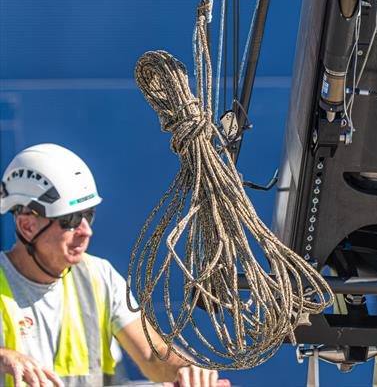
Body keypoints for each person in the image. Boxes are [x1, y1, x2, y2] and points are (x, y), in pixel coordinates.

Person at [0, 143, 219, 387]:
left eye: (88, 215)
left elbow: (151, 356)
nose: (86, 231)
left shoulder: (98, 275)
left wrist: (187, 371)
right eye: (70, 220)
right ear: (27, 226)